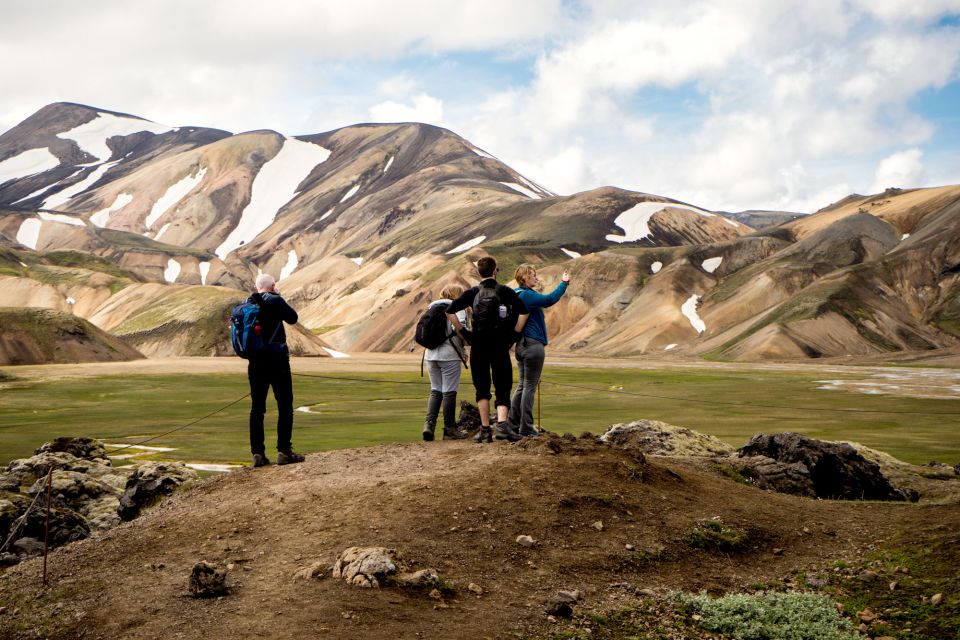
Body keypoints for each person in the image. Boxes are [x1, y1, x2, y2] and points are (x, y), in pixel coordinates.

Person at [446, 256, 529, 443]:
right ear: (495, 271)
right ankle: (501, 427)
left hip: (479, 346)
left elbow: (449, 311)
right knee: (503, 385)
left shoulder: (472, 292)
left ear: (479, 273)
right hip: (500, 345)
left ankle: (484, 430)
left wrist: (465, 333)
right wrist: (513, 337)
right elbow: (524, 312)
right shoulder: (505, 291)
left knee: (482, 388)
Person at [247, 273, 305, 467]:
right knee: (285, 406)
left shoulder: (247, 303)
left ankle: (258, 454)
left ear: (257, 287)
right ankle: (284, 451)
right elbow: (292, 318)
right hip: (277, 361)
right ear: (272, 286)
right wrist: (278, 296)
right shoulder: (274, 300)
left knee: (257, 408)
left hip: (255, 363)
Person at [508, 264, 570, 436]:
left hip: (520, 345)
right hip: (533, 344)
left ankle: (512, 425)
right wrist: (564, 283)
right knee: (529, 386)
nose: (536, 278)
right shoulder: (527, 295)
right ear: (525, 278)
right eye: (533, 275)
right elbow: (550, 299)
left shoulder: (515, 294)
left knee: (522, 386)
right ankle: (526, 427)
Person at [422, 285, 470, 441]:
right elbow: (460, 330)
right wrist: (468, 342)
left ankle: (429, 425)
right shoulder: (458, 308)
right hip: (450, 355)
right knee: (449, 391)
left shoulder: (431, 307)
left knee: (435, 390)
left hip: (430, 355)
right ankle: (449, 429)